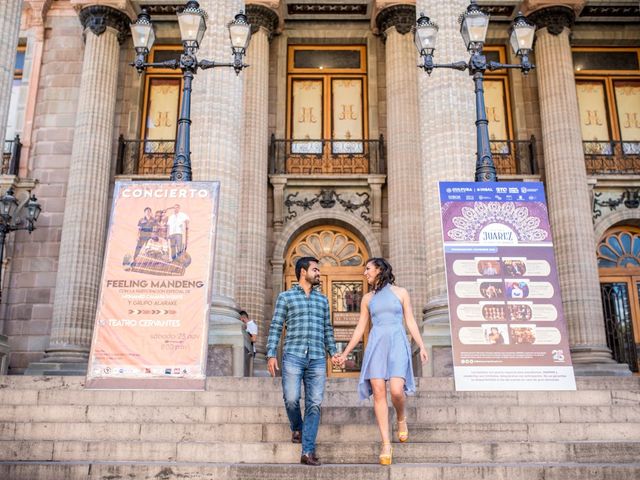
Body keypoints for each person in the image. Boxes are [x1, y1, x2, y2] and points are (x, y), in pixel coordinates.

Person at [335, 258, 428, 466]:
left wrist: (421, 345)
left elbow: (410, 320)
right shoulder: (367, 298)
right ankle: (386, 444)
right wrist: (345, 353)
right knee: (378, 391)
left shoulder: (401, 293)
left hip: (397, 342)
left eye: (368, 269)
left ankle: (401, 417)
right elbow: (360, 328)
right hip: (377, 345)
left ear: (379, 269)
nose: (365, 273)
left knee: (396, 390)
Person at [266, 257, 341, 466]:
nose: (318, 273)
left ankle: (307, 451)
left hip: (317, 357)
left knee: (314, 404)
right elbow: (275, 326)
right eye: (315, 269)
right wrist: (271, 353)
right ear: (302, 272)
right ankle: (296, 427)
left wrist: (333, 352)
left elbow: (328, 329)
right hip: (293, 355)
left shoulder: (323, 300)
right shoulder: (285, 297)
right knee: (291, 399)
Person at [240, 310, 258, 376]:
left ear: (243, 318)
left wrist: (247, 334)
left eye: (240, 319)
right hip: (246, 349)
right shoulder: (246, 325)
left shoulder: (252, 325)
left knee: (248, 373)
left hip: (250, 351)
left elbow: (254, 339)